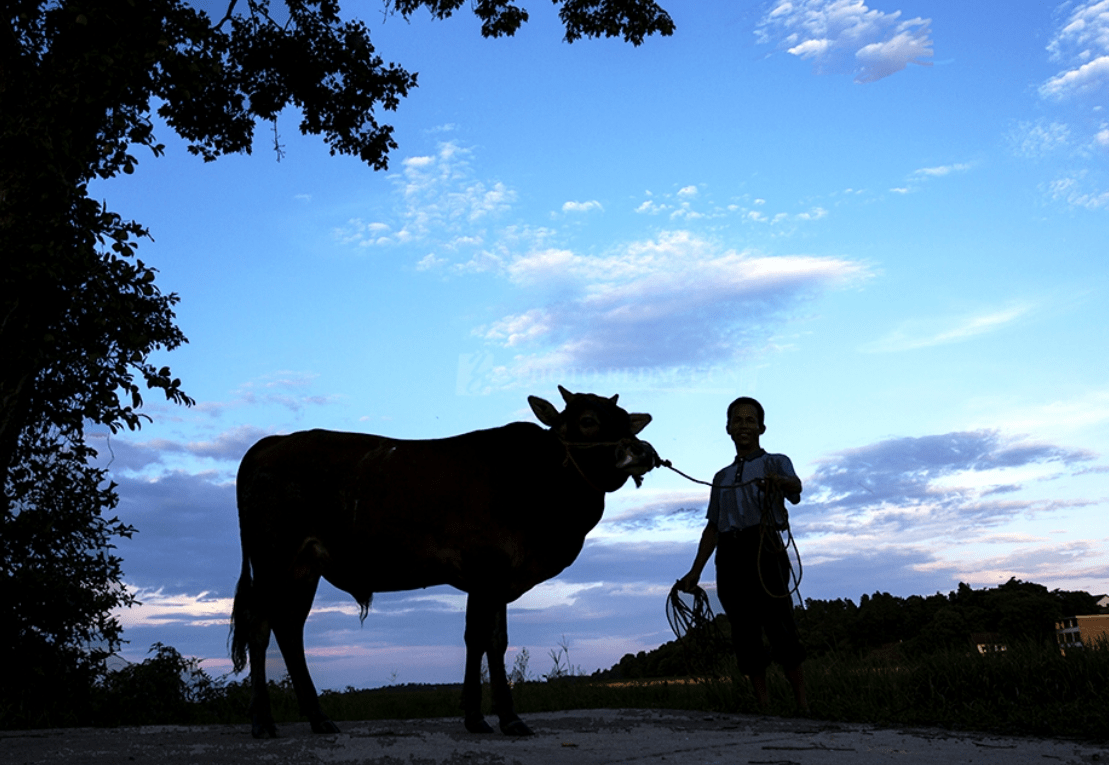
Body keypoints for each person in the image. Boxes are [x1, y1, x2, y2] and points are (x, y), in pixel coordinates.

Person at [676, 396, 808, 710]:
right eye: (738, 420)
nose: (744, 426)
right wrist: (695, 572)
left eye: (750, 420)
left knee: (779, 622)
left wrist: (779, 482)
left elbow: (796, 490)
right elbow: (712, 528)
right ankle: (763, 704)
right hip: (730, 554)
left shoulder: (776, 461)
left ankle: (803, 704)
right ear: (728, 429)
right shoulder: (721, 478)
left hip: (765, 547)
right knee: (743, 628)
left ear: (761, 427)